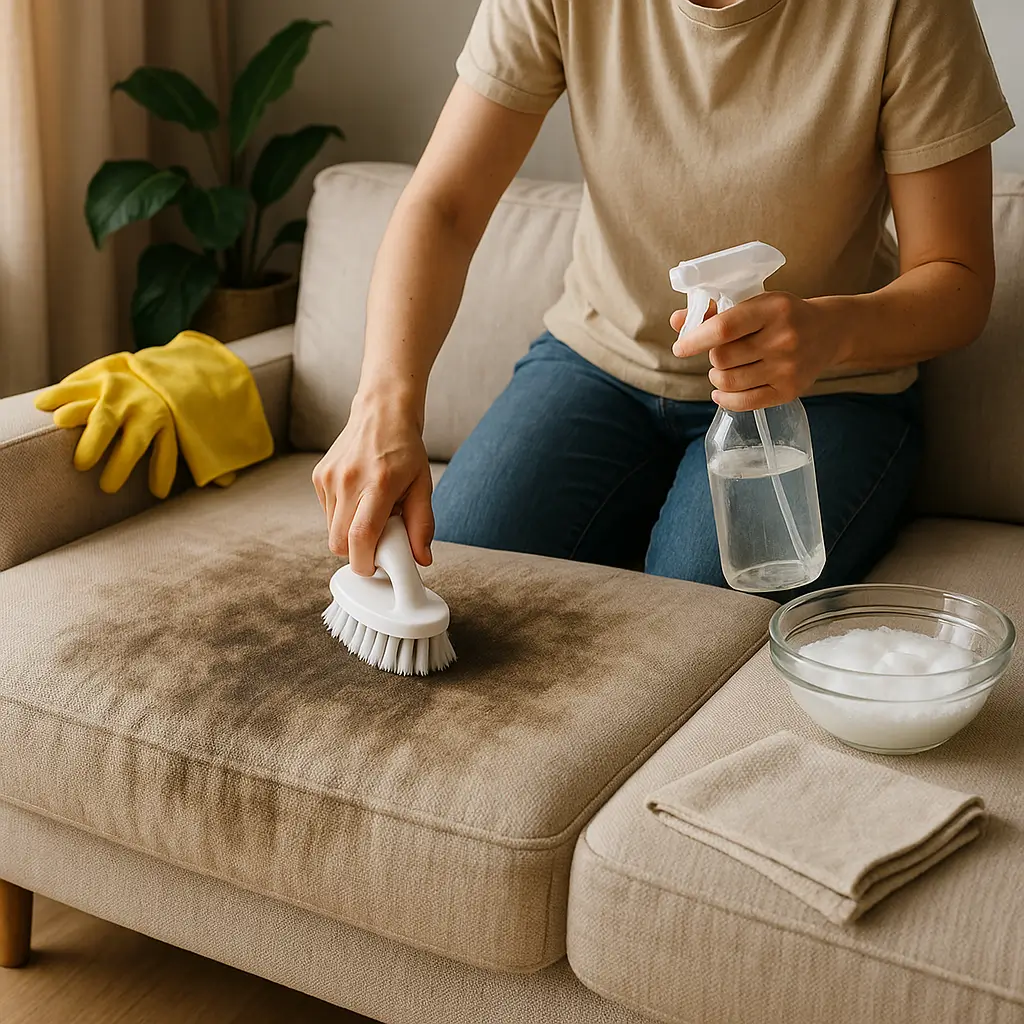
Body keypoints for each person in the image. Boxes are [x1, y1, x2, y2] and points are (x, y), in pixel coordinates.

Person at [312, 0, 1013, 595]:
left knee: (700, 609)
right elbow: (444, 207)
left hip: (823, 390)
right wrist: (382, 404)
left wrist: (828, 332)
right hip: (598, 366)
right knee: (465, 578)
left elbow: (956, 278)